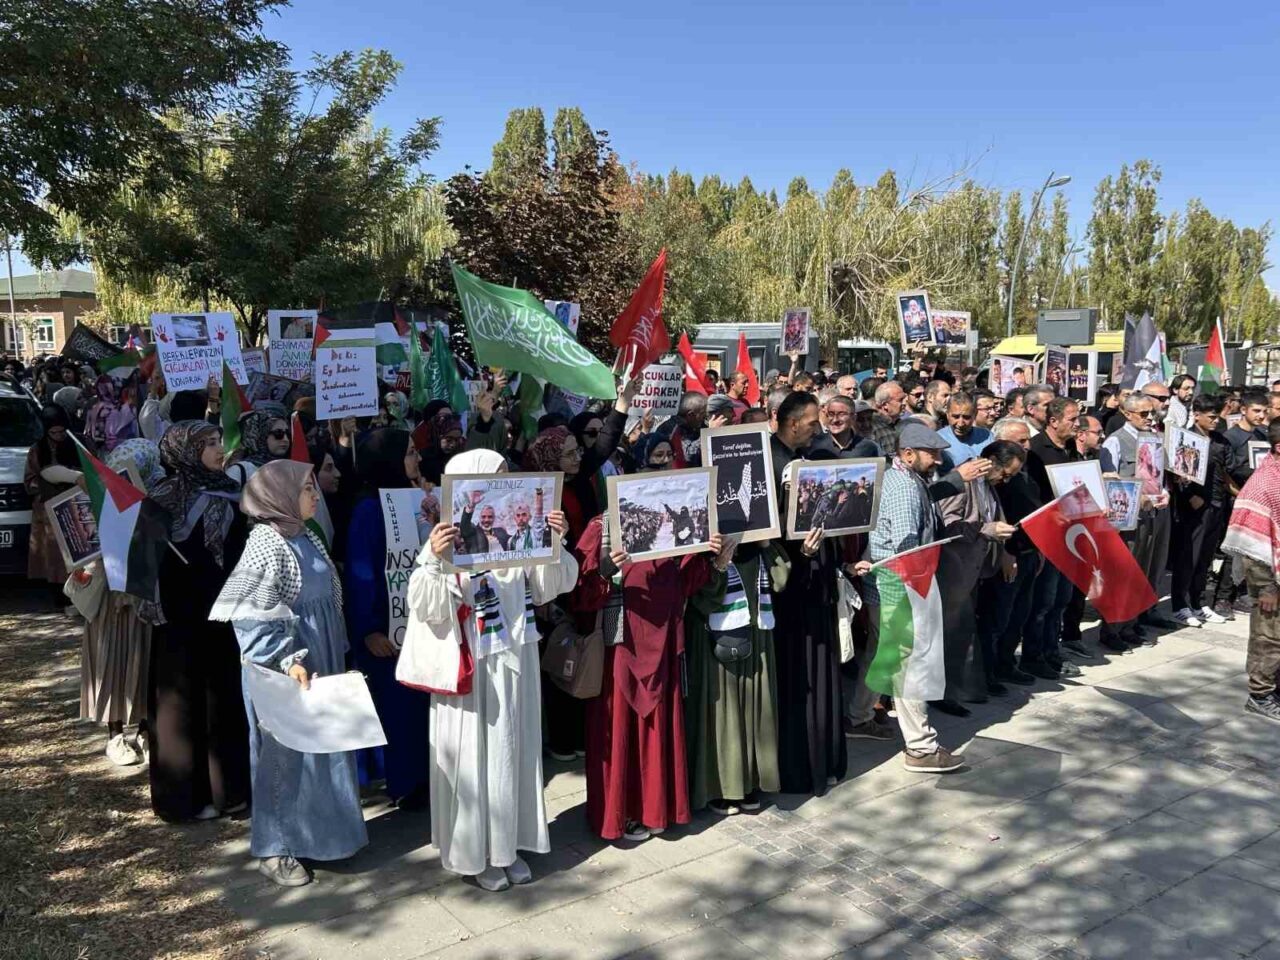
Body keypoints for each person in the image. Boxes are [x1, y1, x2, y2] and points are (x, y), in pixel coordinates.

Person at [408, 449, 576, 889]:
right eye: (493, 480)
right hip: (471, 661)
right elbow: (425, 603)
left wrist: (554, 542)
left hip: (515, 652)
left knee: (512, 749)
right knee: (474, 754)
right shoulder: (445, 536)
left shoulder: (511, 534)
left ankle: (509, 844)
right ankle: (476, 853)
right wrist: (436, 559)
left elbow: (548, 588)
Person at [211, 460, 368, 887]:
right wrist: (287, 659)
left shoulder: (303, 534)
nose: (315, 496)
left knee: (321, 752)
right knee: (283, 759)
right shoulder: (266, 543)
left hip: (319, 660)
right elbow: (249, 618)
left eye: (314, 487)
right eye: (306, 489)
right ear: (279, 496)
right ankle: (275, 848)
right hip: (285, 671)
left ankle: (323, 837)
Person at [148, 421, 251, 822]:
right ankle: (184, 799)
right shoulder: (162, 498)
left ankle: (229, 791)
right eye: (207, 444)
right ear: (184, 451)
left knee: (223, 698)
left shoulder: (231, 490)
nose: (218, 449)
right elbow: (145, 560)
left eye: (217, 441)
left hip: (224, 611)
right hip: (179, 614)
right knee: (180, 702)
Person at [867, 421, 963, 772]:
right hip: (901, 586)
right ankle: (921, 748)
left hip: (891, 584)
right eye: (931, 454)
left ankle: (858, 716)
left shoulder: (906, 479)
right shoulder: (905, 488)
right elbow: (907, 546)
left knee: (881, 656)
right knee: (908, 666)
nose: (937, 460)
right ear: (907, 454)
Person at [344, 427, 431, 806]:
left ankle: (425, 777)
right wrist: (369, 629)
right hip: (387, 633)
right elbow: (361, 574)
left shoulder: (414, 498)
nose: (417, 459)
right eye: (410, 452)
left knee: (419, 708)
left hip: (418, 626)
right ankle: (405, 786)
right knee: (398, 712)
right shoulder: (368, 509)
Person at [770, 392, 848, 793]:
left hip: (817, 578)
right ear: (793, 422)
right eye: (814, 421)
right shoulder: (768, 461)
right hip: (787, 586)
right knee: (796, 673)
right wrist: (799, 552)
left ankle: (823, 757)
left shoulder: (810, 456)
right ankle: (798, 766)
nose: (819, 428)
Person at [78, 439, 166, 766]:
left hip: (143, 594)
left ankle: (145, 727)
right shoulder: (96, 496)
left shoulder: (158, 495)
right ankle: (114, 733)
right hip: (110, 598)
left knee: (143, 659)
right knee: (111, 660)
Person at [935, 437, 1018, 708]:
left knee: (963, 632)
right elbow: (947, 524)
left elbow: (993, 515)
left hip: (973, 570)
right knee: (949, 633)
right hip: (953, 570)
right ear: (991, 462)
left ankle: (961, 689)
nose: (1006, 481)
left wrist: (1003, 549)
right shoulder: (963, 480)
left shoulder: (987, 484)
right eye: (1005, 474)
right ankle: (943, 694)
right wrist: (985, 530)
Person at [1222, 420, 1280, 722]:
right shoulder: (1262, 485)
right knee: (1268, 637)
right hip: (1268, 577)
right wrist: (1267, 587)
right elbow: (1250, 541)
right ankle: (1260, 695)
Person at [1021, 397, 1083, 679]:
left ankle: (1051, 650)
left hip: (1070, 535)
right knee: (1042, 602)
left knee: (1061, 599)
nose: (1077, 424)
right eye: (1072, 419)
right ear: (1053, 421)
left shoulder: (1070, 448)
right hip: (1046, 537)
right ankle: (1033, 656)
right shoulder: (1036, 451)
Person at [1169, 394, 1231, 627]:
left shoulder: (1220, 441)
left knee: (1205, 557)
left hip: (1217, 504)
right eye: (1211, 417)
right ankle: (1179, 605)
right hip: (1193, 507)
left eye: (1217, 417)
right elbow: (1176, 473)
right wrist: (1189, 495)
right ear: (1197, 415)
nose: (1215, 421)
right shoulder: (1186, 439)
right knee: (1188, 557)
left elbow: (1228, 470)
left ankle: (1198, 602)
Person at [25, 404, 84, 601]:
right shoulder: (37, 449)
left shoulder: (79, 444)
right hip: (49, 508)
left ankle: (80, 594)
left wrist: (76, 478)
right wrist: (48, 483)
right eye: (54, 432)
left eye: (62, 431)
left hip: (78, 505)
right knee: (55, 555)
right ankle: (59, 594)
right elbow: (30, 481)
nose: (59, 436)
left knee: (79, 551)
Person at [810, 394, 879, 458]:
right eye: (831, 414)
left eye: (841, 414)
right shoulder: (814, 445)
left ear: (853, 418)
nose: (835, 420)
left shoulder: (868, 448)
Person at [937, 393, 992, 471]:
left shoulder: (987, 436)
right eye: (956, 417)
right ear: (947, 415)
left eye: (966, 417)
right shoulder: (938, 440)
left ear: (975, 415)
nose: (960, 423)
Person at [870, 382, 906, 456]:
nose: (904, 403)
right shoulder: (872, 428)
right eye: (900, 400)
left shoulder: (902, 424)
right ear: (885, 405)